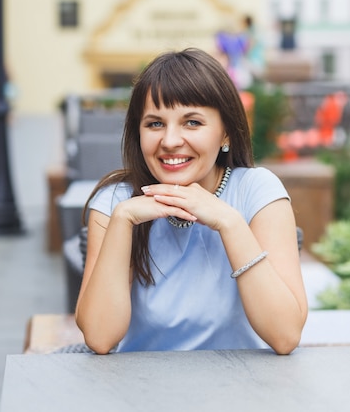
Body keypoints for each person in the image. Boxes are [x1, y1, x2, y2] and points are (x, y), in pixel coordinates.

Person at [75, 48, 308, 355]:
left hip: (241, 390)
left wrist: (228, 221)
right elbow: (100, 338)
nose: (170, 141)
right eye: (155, 123)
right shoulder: (116, 201)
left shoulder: (257, 191)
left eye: (192, 123)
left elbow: (285, 335)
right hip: (143, 392)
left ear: (225, 133)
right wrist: (122, 221)